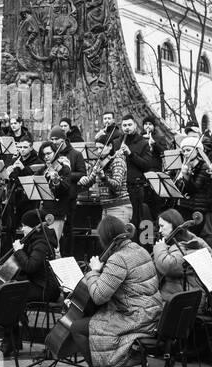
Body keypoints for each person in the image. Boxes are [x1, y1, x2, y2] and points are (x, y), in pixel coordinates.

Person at [71, 214, 162, 367]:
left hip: (136, 317)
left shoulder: (118, 259)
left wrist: (93, 272)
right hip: (152, 312)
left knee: (77, 328)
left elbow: (99, 296)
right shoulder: (139, 249)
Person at [152, 208, 212, 303]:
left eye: (162, 226)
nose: (160, 230)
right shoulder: (192, 241)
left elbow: (168, 267)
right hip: (184, 298)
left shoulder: (184, 247)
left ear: (173, 225)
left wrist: (159, 248)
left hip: (179, 303)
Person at [47, 126, 87, 257]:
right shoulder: (53, 154)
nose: (54, 141)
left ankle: (68, 257)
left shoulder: (76, 154)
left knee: (68, 231)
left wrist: (66, 172)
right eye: (52, 139)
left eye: (56, 138)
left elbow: (82, 173)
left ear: (63, 139)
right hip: (55, 197)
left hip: (70, 197)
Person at [120, 114, 160, 239]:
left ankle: (142, 249)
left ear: (135, 126)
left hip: (136, 188)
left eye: (129, 125)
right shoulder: (117, 142)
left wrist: (130, 154)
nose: (127, 128)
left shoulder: (143, 143)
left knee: (140, 222)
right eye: (124, 125)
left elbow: (147, 165)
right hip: (121, 189)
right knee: (125, 223)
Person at [79, 133, 130, 225]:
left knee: (118, 238)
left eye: (101, 148)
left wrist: (103, 177)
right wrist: (83, 180)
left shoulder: (118, 161)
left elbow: (117, 186)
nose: (98, 151)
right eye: (97, 148)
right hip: (106, 208)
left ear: (110, 146)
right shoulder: (99, 162)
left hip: (119, 207)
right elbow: (90, 181)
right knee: (106, 238)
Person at [12, 209, 60, 303]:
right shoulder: (36, 239)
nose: (22, 229)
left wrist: (18, 251)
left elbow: (30, 266)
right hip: (38, 284)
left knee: (11, 294)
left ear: (35, 228)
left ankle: (19, 318)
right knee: (11, 289)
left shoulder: (41, 243)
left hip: (45, 290)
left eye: (25, 226)